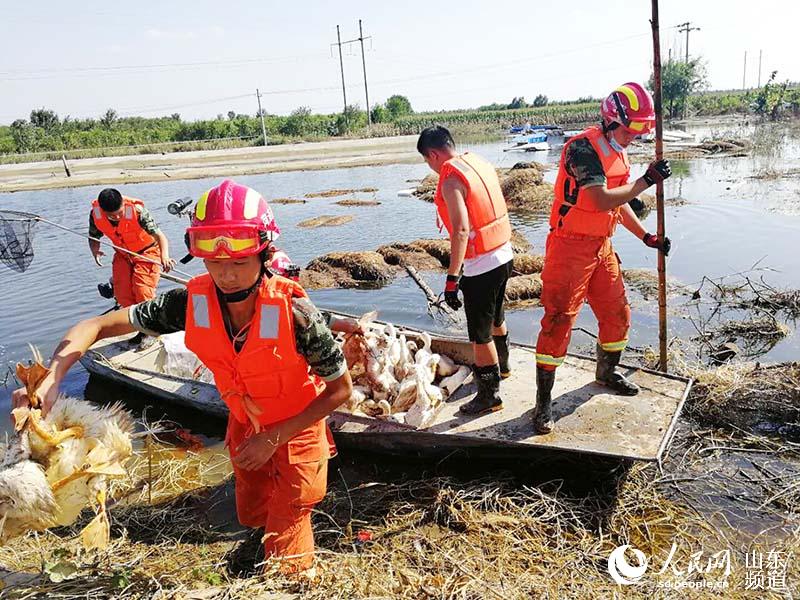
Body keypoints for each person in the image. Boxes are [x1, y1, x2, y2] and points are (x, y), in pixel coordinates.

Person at [18, 179, 353, 574]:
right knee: (252, 507)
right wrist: (54, 374)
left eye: (239, 263)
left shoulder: (298, 314)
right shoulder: (190, 302)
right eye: (215, 263)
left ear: (264, 254)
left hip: (296, 430)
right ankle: (261, 542)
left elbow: (340, 391)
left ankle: (289, 572)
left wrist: (273, 439)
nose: (227, 275)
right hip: (245, 422)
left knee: (291, 528)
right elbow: (97, 326)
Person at [533, 82, 672, 434]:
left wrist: (646, 236)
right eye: (629, 130)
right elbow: (598, 200)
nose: (633, 138)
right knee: (558, 321)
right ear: (611, 121)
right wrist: (646, 181)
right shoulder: (581, 149)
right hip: (569, 248)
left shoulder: (618, 151)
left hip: (601, 246)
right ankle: (544, 403)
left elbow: (618, 201)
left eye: (639, 132)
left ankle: (606, 372)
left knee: (617, 315)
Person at [417, 125, 514, 416]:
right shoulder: (477, 162)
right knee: (497, 315)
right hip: (504, 253)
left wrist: (452, 278)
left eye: (426, 160)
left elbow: (460, 231)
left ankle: (489, 396)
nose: (430, 166)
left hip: (481, 265)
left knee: (479, 335)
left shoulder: (450, 181)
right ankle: (503, 367)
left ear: (433, 154)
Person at [89, 188, 175, 309]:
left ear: (123, 204)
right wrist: (95, 250)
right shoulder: (95, 214)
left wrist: (165, 257)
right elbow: (93, 236)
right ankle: (131, 322)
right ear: (103, 211)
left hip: (147, 252)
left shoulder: (137, 211)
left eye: (120, 212)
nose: (117, 217)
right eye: (112, 215)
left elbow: (160, 236)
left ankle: (150, 320)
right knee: (122, 295)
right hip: (123, 255)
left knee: (142, 291)